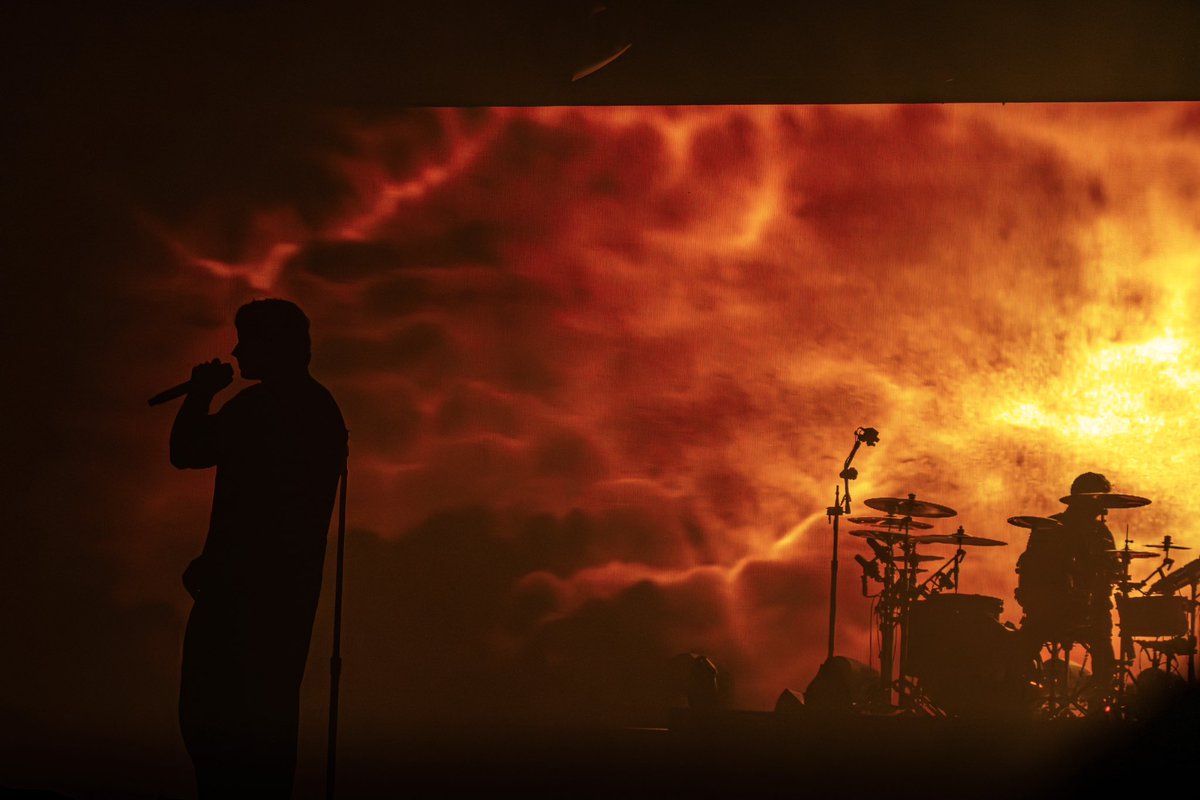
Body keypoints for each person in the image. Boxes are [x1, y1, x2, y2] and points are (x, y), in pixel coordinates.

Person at [170, 299, 347, 798]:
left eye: (246, 341)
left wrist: (199, 395)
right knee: (267, 720)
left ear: (275, 347)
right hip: (288, 597)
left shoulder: (260, 407)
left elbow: (186, 451)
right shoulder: (321, 410)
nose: (235, 350)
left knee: (213, 717)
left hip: (239, 597)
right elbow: (276, 506)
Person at [1015, 472, 1119, 710]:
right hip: (1058, 610)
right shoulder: (1054, 528)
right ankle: (1099, 701)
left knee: (1024, 646)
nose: (1105, 509)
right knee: (1102, 641)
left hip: (1062, 611)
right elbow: (1031, 569)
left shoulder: (1096, 532)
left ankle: (1020, 697)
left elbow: (1109, 573)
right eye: (1102, 501)